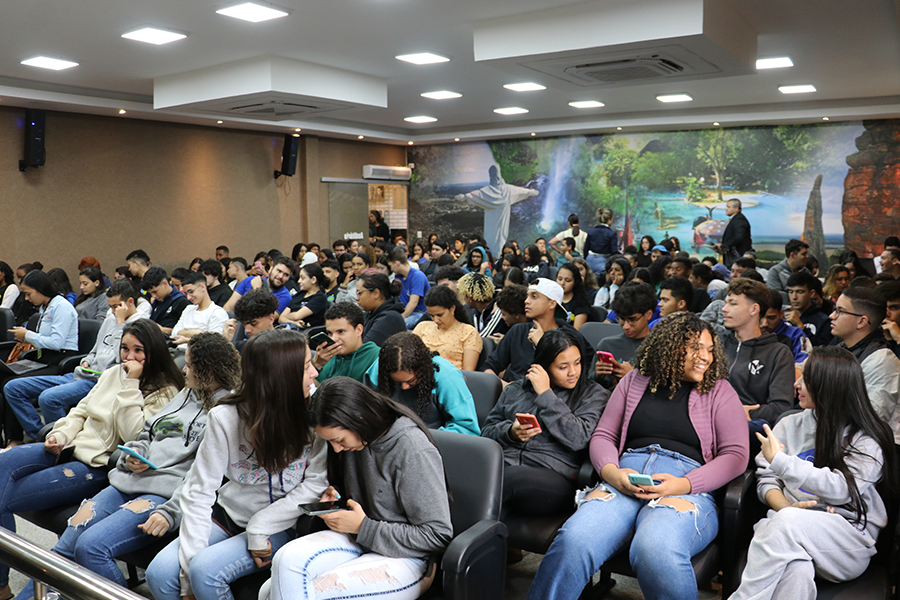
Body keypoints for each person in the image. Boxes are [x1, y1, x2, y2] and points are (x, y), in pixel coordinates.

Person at [528, 312, 749, 600]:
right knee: (575, 539)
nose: (705, 357)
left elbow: (736, 455)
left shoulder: (719, 391)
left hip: (685, 486)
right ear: (670, 347)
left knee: (655, 546)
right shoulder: (635, 380)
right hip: (624, 478)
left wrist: (683, 485)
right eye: (695, 348)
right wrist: (611, 473)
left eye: (709, 349)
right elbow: (604, 435)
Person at [13, 333, 241, 599]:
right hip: (130, 478)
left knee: (90, 547)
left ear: (208, 371)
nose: (183, 369)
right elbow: (148, 431)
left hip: (162, 494)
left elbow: (203, 479)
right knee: (69, 538)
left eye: (190, 365)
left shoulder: (227, 411)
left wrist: (171, 512)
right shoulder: (188, 392)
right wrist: (134, 452)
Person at [0, 319, 182, 600]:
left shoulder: (165, 390)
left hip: (96, 464)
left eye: (138, 351)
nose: (129, 357)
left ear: (154, 352)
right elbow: (80, 411)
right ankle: (3, 585)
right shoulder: (112, 374)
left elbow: (135, 434)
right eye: (124, 349)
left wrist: (132, 384)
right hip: (67, 448)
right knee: (5, 461)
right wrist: (60, 434)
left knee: (2, 500)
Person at [145, 329, 328, 600]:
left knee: (206, 572)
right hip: (228, 513)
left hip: (281, 523)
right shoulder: (226, 417)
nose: (314, 373)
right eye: (306, 367)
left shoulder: (316, 413)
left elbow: (316, 482)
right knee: (159, 575)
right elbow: (199, 493)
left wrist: (260, 525)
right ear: (281, 378)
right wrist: (187, 577)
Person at [731, 346, 899, 600]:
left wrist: (781, 461)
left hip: (847, 539)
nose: (796, 384)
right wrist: (786, 506)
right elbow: (767, 479)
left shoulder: (867, 438)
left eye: (806, 379)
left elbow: (841, 488)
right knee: (795, 569)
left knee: (783, 524)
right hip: (788, 528)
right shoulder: (789, 424)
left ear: (829, 385)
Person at [265, 377, 452, 600]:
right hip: (358, 540)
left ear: (360, 419)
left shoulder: (412, 449)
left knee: (294, 593)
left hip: (407, 556)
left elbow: (437, 535)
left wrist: (364, 527)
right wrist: (335, 497)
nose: (336, 449)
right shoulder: (356, 442)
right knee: (280, 567)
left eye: (339, 440)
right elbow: (362, 495)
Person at [482, 329, 608, 520]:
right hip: (505, 465)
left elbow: (579, 438)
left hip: (554, 477)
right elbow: (486, 433)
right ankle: (481, 543)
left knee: (505, 479)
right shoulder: (517, 389)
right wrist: (510, 433)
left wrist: (546, 395)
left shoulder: (593, 395)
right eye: (563, 367)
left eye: (577, 363)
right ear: (544, 366)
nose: (573, 372)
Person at [3, 279, 150, 440]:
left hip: (102, 380)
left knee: (48, 398)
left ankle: (61, 440)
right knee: (13, 387)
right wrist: (86, 360)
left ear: (129, 302)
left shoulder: (141, 326)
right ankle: (42, 435)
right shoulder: (109, 321)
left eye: (116, 307)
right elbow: (95, 351)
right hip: (83, 373)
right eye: (111, 307)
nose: (113, 312)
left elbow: (121, 358)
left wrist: (121, 324)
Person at [719, 279, 795, 452]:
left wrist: (744, 412)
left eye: (733, 304)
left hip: (747, 431)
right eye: (726, 303)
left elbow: (781, 407)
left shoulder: (778, 353)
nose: (724, 309)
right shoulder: (715, 343)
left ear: (754, 309)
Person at [365, 332, 480, 435]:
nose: (404, 387)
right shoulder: (378, 371)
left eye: (410, 381)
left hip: (434, 441)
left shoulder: (447, 377)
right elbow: (367, 412)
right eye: (396, 382)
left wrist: (421, 439)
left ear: (423, 369)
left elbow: (467, 429)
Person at [829, 286, 900, 441]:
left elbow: (872, 417)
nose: (832, 316)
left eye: (840, 311)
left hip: (876, 446)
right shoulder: (840, 348)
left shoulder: (883, 361)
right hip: (838, 432)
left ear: (861, 321)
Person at [484, 279, 584, 386]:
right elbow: (488, 367)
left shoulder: (570, 338)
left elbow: (572, 379)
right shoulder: (518, 331)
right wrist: (505, 387)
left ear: (551, 304)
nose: (526, 301)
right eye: (527, 296)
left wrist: (542, 344)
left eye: (534, 297)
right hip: (512, 397)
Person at [454, 164, 540, 254]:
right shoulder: (488, 191)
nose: (496, 177)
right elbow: (477, 195)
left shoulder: (507, 189)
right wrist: (464, 197)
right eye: (493, 175)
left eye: (496, 174)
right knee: (491, 240)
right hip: (491, 222)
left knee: (501, 240)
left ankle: (500, 256)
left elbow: (519, 190)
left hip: (502, 221)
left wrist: (530, 192)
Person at [594, 282, 656, 388]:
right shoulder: (607, 345)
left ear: (648, 314)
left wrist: (634, 377)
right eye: (621, 319)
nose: (626, 326)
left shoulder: (660, 348)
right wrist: (597, 376)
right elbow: (590, 386)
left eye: (632, 319)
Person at [414, 286, 482, 371]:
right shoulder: (422, 327)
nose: (436, 320)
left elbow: (468, 372)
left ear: (452, 308)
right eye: (431, 315)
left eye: (440, 315)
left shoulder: (468, 332)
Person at [312, 303, 380, 383]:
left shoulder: (376, 357)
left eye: (341, 332)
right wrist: (316, 365)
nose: (333, 338)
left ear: (359, 330)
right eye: (330, 333)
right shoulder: (324, 357)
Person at [170, 272, 229, 347]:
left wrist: (186, 338)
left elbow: (214, 343)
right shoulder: (188, 309)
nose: (188, 297)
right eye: (186, 294)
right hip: (179, 351)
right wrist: (195, 333)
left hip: (199, 355)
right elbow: (174, 332)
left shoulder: (217, 312)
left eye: (191, 292)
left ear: (202, 287)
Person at [223, 256, 294, 315]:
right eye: (279, 271)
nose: (281, 276)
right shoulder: (249, 280)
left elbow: (265, 318)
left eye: (286, 275)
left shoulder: (285, 296)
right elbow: (228, 307)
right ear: (271, 269)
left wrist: (257, 289)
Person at [760, 288, 811, 364]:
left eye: (771, 318)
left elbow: (804, 365)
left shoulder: (795, 335)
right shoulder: (745, 333)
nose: (765, 324)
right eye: (760, 317)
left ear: (781, 314)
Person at [356, 272, 407, 346]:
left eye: (360, 293)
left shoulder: (389, 318)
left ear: (376, 293)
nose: (356, 298)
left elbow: (365, 351)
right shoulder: (370, 314)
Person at [785, 271, 833, 346]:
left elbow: (822, 351)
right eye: (791, 292)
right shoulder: (781, 315)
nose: (794, 297)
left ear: (812, 293)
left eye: (800, 292)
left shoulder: (823, 321)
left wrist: (801, 327)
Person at [388, 247, 431, 328]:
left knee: (398, 325)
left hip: (419, 312)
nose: (391, 269)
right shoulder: (398, 277)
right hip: (405, 310)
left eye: (391, 266)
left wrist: (401, 317)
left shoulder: (417, 276)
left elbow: (413, 302)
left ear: (397, 263)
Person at [458, 272, 508, 339]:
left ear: (471, 298)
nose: (464, 298)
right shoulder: (477, 312)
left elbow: (479, 339)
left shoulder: (498, 310)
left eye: (465, 295)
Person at [279, 262, 329, 329]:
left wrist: (287, 316)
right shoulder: (300, 293)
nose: (299, 281)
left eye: (302, 278)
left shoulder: (320, 298)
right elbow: (281, 318)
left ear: (313, 280)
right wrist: (294, 322)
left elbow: (296, 316)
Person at [142, 267, 190, 335]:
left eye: (155, 292)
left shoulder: (182, 302)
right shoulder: (157, 301)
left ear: (165, 283)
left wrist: (164, 330)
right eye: (151, 293)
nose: (153, 296)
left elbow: (189, 331)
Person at [711, 198, 752, 268]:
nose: (726, 209)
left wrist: (724, 246)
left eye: (728, 207)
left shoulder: (739, 220)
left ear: (736, 208)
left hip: (736, 257)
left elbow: (740, 237)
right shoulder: (737, 219)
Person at [584, 208, 618, 278]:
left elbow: (585, 249)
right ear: (609, 220)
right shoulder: (612, 234)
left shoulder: (591, 231)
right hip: (603, 260)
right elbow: (614, 251)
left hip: (589, 260)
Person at [556, 263, 590, 330]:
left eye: (567, 280)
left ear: (575, 282)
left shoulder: (581, 304)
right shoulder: (551, 300)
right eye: (559, 279)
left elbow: (576, 332)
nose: (562, 283)